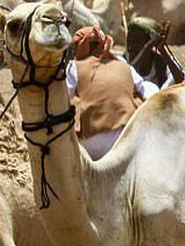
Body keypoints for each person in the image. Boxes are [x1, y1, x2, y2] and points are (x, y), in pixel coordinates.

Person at [66, 25, 157, 160]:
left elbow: (63, 96)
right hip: (128, 138)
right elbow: (149, 92)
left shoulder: (74, 68)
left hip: (89, 144)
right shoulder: (124, 65)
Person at [124, 17, 185, 90]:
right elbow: (131, 75)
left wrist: (162, 49)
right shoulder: (122, 62)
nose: (131, 46)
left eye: (136, 42)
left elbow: (181, 81)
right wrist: (146, 49)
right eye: (129, 41)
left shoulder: (161, 62)